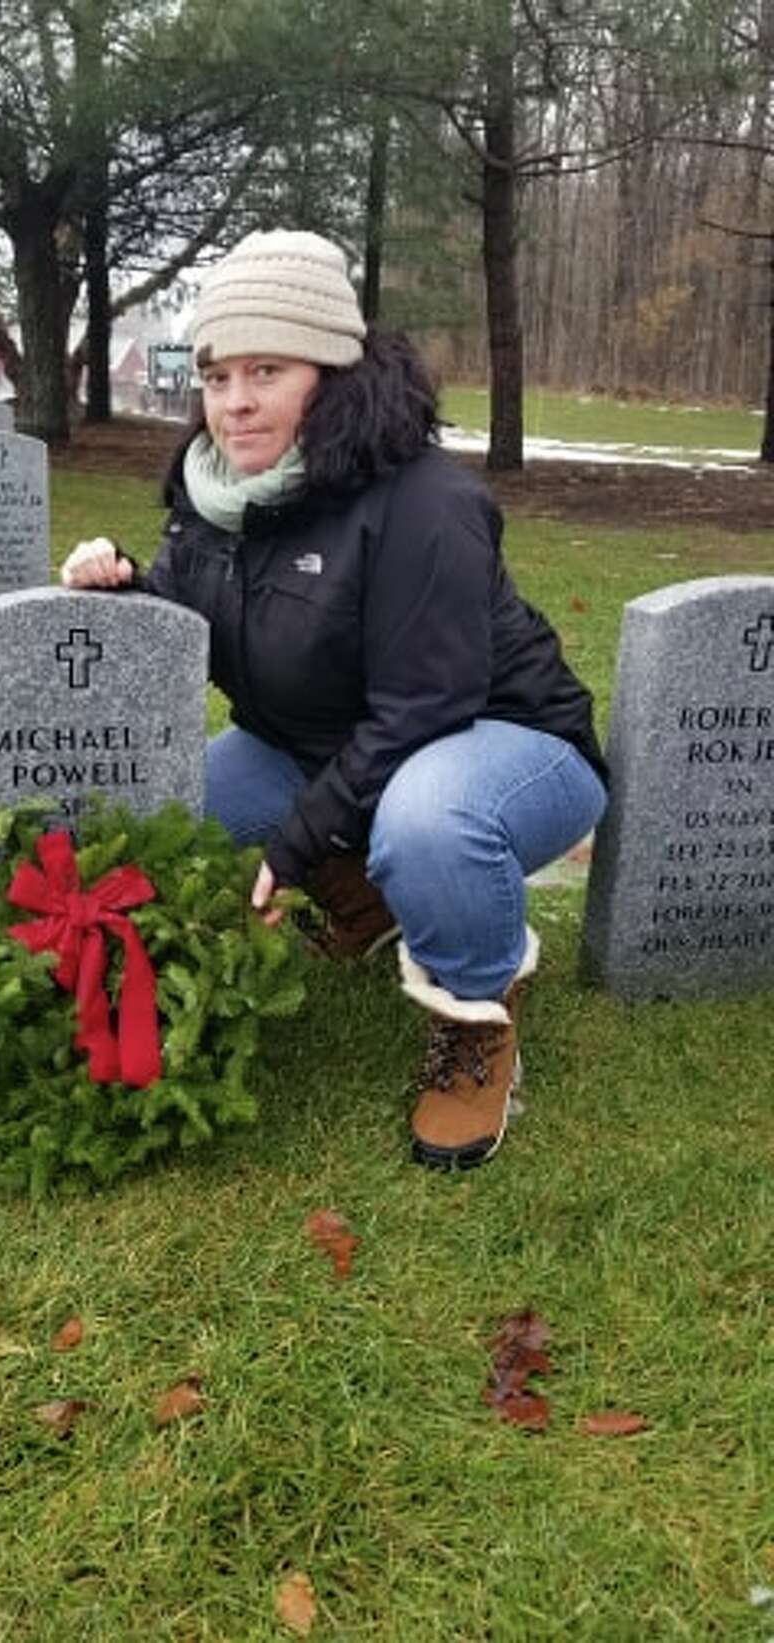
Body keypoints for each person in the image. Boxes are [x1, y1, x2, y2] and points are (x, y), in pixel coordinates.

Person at [61, 229, 608, 1170]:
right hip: (325, 746)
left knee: (426, 823)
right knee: (168, 812)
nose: (235, 401)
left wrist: (295, 843)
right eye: (217, 375)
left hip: (505, 743)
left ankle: (476, 1013)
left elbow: (425, 706)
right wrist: (124, 590)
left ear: (333, 372)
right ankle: (366, 901)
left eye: (266, 371)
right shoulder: (215, 494)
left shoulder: (424, 501)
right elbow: (204, 627)